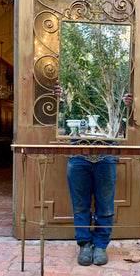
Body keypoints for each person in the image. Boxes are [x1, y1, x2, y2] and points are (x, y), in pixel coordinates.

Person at [54, 80, 133, 266]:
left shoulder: (114, 88)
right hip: (78, 152)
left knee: (105, 206)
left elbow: (126, 126)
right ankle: (85, 244)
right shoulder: (71, 90)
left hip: (107, 152)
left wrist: (129, 106)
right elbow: (60, 123)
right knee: (80, 205)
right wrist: (59, 100)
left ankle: (100, 245)